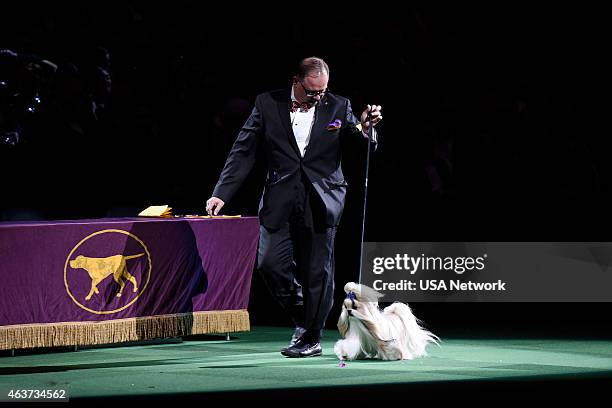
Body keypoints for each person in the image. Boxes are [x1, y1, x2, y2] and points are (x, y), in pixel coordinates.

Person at [206, 57, 382, 357]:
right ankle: (306, 315)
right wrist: (222, 192)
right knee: (269, 263)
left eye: (323, 91)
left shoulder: (339, 106)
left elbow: (358, 141)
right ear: (295, 81)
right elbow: (244, 148)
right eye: (312, 92)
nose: (318, 98)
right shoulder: (267, 104)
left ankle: (311, 336)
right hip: (280, 197)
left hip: (322, 198)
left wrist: (366, 131)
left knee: (318, 272)